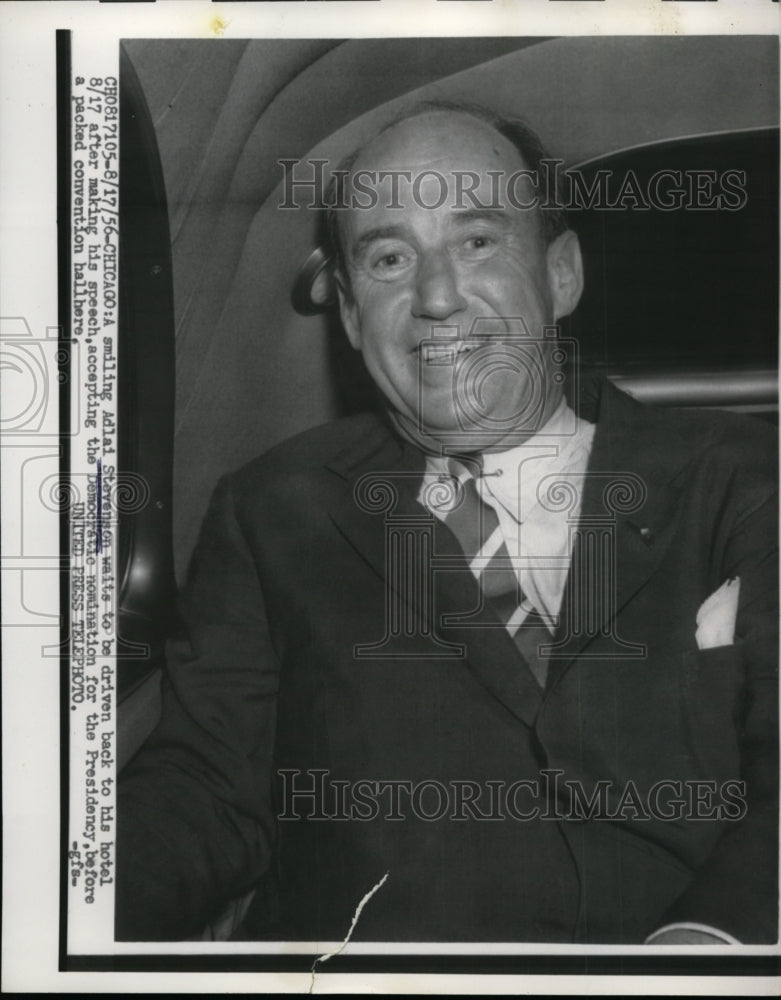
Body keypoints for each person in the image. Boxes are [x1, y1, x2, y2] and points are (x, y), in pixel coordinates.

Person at [117, 100, 778, 945]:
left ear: (562, 274)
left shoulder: (743, 476)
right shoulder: (270, 510)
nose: (435, 296)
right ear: (353, 320)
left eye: (476, 241)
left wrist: (704, 949)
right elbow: (204, 789)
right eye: (389, 258)